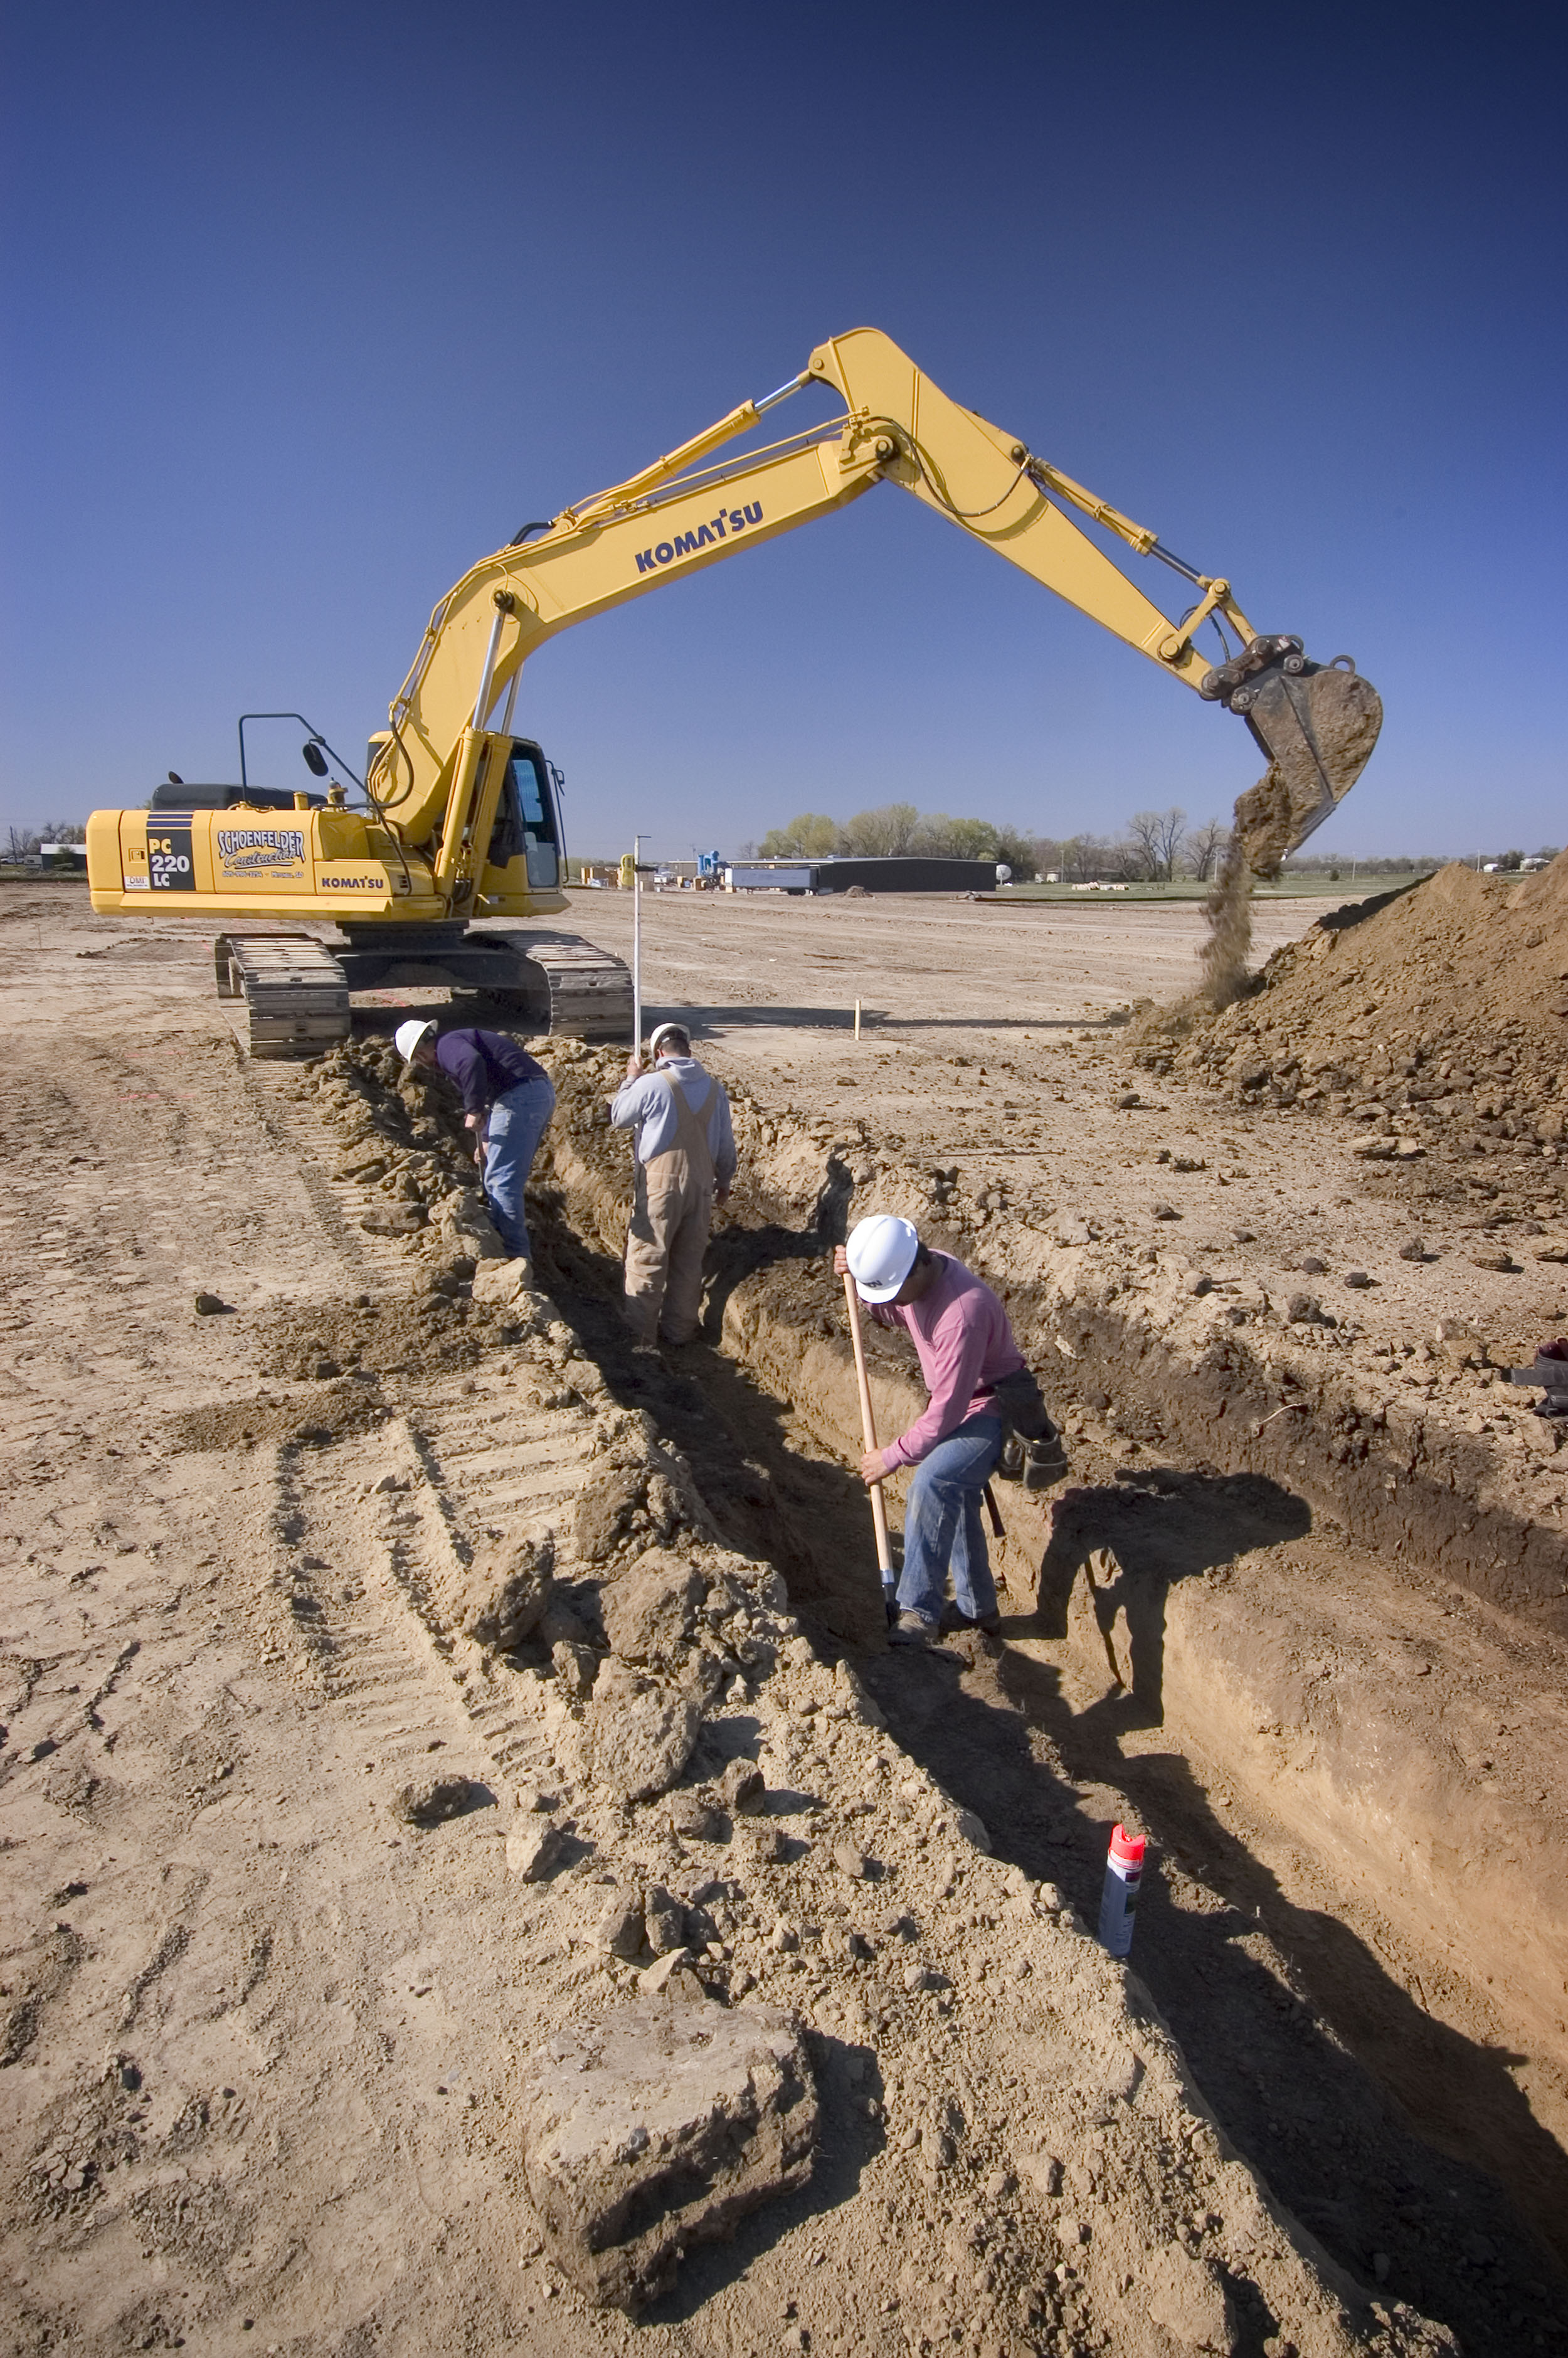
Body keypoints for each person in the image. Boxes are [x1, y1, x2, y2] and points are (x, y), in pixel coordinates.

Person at [835, 1213, 1027, 1647]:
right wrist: (859, 1276)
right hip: (963, 1400)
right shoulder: (922, 1271)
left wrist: (892, 1455)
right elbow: (893, 1310)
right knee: (954, 1490)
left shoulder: (963, 1313)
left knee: (935, 1479)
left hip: (997, 1407)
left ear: (914, 1268)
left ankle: (919, 1610)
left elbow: (945, 1414)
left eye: (890, 1287)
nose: (892, 1300)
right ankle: (980, 1609)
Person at [610, 1019, 736, 1345]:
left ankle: (640, 1340)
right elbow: (725, 1144)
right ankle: (679, 1334)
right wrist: (725, 1180)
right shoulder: (714, 1088)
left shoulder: (651, 1083)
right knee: (688, 1262)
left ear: (658, 1053)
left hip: (659, 1187)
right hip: (701, 1186)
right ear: (689, 1050)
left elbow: (620, 1117)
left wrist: (630, 1080)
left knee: (649, 1258)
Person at [395, 1019, 555, 1263]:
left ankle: (515, 1255)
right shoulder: (455, 1041)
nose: (423, 1064)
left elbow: (472, 1063)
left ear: (420, 1054)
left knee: (501, 1181)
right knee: (498, 1177)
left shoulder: (447, 1046)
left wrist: (474, 1110)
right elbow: (493, 1091)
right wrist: (487, 1140)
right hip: (531, 1094)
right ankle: (508, 1237)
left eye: (418, 1060)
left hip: (520, 1098)